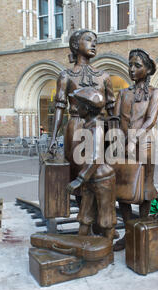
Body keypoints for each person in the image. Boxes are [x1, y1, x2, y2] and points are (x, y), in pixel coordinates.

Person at [48, 29, 115, 193]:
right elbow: (60, 107)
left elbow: (112, 108)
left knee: (99, 169)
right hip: (76, 126)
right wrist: (53, 137)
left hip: (99, 126)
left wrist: (115, 136)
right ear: (76, 45)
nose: (93, 44)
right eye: (88, 40)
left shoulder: (104, 76)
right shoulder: (66, 76)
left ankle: (95, 210)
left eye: (95, 42)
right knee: (77, 168)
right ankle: (82, 210)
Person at [112, 49, 158, 251]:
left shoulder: (155, 93)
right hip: (122, 145)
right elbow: (115, 119)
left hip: (145, 145)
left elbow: (151, 119)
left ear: (148, 69)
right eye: (130, 65)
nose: (132, 69)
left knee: (145, 189)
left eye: (137, 65)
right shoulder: (123, 93)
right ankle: (128, 232)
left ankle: (142, 228)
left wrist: (134, 138)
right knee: (122, 189)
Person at [66, 87, 116, 241]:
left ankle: (107, 249)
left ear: (86, 109)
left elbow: (96, 157)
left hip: (102, 179)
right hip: (90, 178)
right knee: (85, 214)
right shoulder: (88, 125)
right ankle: (80, 243)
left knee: (106, 216)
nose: (74, 108)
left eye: (78, 105)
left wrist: (79, 180)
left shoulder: (96, 128)